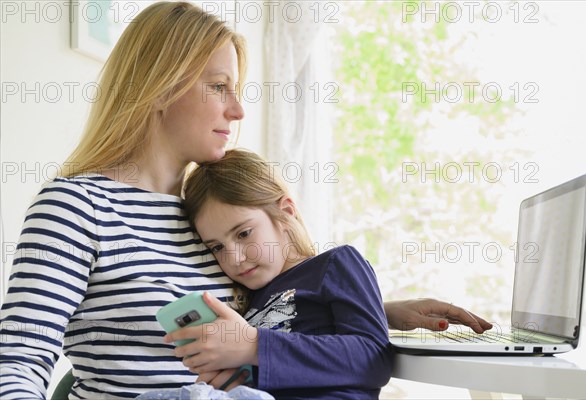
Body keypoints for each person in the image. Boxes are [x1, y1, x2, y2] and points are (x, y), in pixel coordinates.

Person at [0, 2, 491, 399]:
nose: (237, 110)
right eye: (219, 87)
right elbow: (17, 364)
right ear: (158, 87)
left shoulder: (202, 215)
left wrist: (373, 309)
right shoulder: (76, 207)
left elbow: (261, 317)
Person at [157, 149, 392, 399]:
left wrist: (254, 346)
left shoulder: (335, 264)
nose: (235, 258)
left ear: (286, 213)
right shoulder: (246, 301)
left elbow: (373, 358)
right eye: (217, 247)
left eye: (244, 233)